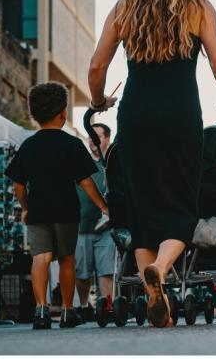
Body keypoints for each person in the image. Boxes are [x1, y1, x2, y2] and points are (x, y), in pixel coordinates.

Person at [87, 0, 216, 328]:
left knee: (141, 208)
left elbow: (97, 65)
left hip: (136, 116)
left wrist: (98, 101)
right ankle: (160, 267)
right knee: (182, 204)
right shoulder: (198, 7)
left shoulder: (125, 7)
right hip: (181, 116)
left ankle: (152, 293)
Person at [5, 82, 109, 330]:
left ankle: (40, 311)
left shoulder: (28, 145)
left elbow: (18, 184)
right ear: (63, 113)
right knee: (66, 259)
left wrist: (25, 207)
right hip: (66, 210)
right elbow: (86, 182)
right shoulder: (72, 144)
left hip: (37, 211)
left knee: (40, 258)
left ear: (34, 114)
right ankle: (67, 311)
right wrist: (103, 206)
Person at [74, 123, 117, 320]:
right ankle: (84, 306)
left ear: (107, 138)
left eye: (97, 136)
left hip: (107, 228)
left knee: (106, 271)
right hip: (82, 227)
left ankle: (108, 307)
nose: (92, 140)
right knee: (82, 273)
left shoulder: (113, 163)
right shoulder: (81, 163)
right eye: (90, 136)